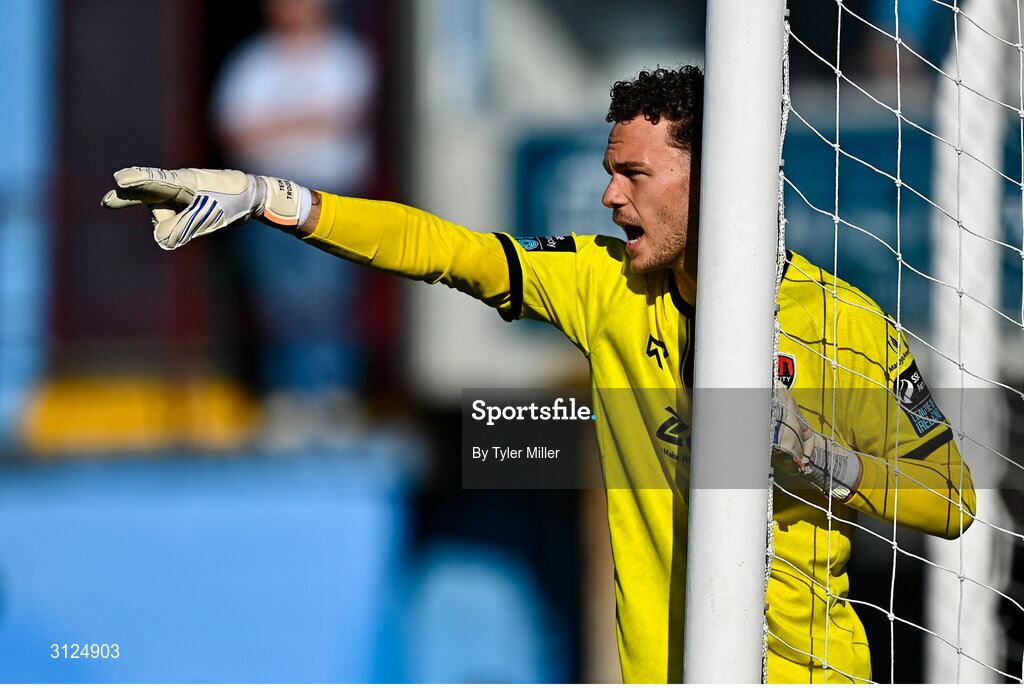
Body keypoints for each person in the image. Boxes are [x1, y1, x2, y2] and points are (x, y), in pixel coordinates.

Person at [102, 66, 975, 683]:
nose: (609, 198)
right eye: (607, 173)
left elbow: (953, 500)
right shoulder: (607, 285)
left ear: (720, 180)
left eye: (635, 174)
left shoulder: (846, 325)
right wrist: (270, 198)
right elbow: (450, 251)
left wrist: (830, 465)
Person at [211, 0, 377, 447]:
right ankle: (290, 400)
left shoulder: (345, 55)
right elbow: (235, 131)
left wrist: (277, 126)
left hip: (330, 198)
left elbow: (349, 116)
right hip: (265, 198)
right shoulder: (253, 63)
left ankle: (333, 398)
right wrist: (306, 122)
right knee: (280, 302)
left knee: (328, 300)